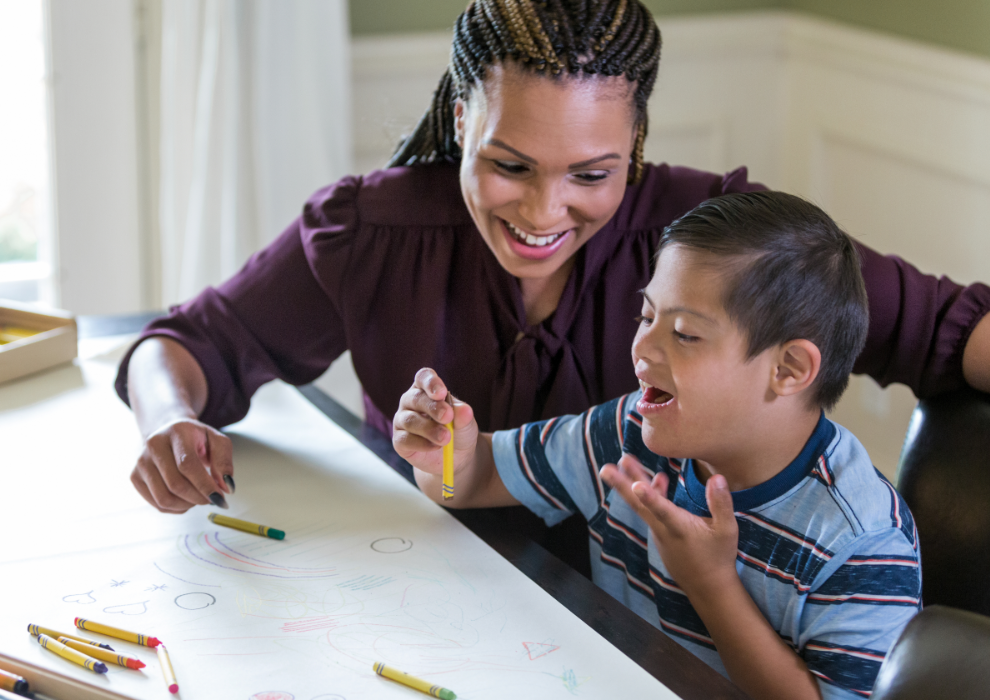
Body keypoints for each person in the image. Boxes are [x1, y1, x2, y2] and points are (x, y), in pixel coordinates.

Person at [115, 0, 990, 566]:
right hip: (416, 585)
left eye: (592, 173)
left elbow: (946, 325)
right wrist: (170, 421)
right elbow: (188, 345)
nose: (545, 211)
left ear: (635, 143)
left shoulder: (722, 241)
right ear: (462, 117)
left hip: (649, 631)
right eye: (510, 164)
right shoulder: (370, 230)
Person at [395, 191, 921, 700]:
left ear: (788, 369)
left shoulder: (863, 541)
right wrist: (448, 454)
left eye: (685, 334)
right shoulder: (629, 433)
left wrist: (711, 584)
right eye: (646, 317)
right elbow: (478, 477)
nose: (643, 347)